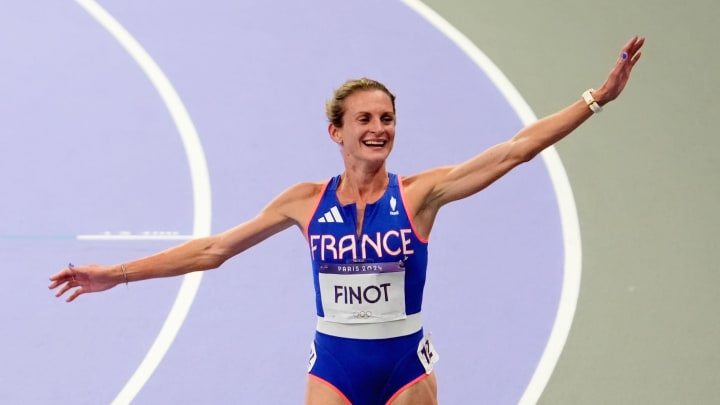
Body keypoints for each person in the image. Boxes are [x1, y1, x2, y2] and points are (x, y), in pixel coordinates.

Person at [50, 36, 644, 405]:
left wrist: (596, 99)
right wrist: (118, 274)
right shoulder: (305, 201)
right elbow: (214, 250)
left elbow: (516, 148)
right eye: (364, 119)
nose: (378, 128)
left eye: (386, 118)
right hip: (334, 368)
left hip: (405, 370)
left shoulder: (420, 195)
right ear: (337, 131)